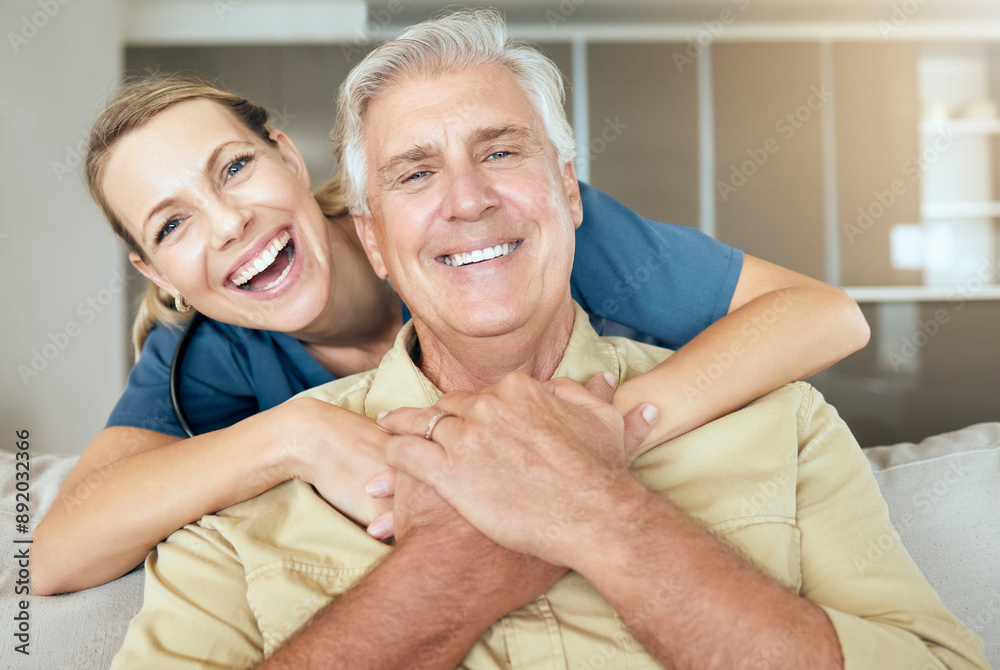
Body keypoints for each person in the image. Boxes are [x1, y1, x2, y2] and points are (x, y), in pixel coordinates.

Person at [110, 10, 987, 669]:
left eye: (500, 153)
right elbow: (50, 551)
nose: (466, 199)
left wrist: (596, 503)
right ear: (372, 237)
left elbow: (822, 312)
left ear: (570, 192)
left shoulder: (783, 426)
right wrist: (445, 573)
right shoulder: (222, 476)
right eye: (416, 173)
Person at [31, 56, 869, 597]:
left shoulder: (524, 235)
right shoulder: (206, 355)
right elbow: (56, 553)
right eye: (171, 226)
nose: (226, 225)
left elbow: (825, 316)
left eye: (236, 168)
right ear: (153, 272)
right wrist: (292, 437)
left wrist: (605, 427)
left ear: (289, 155)